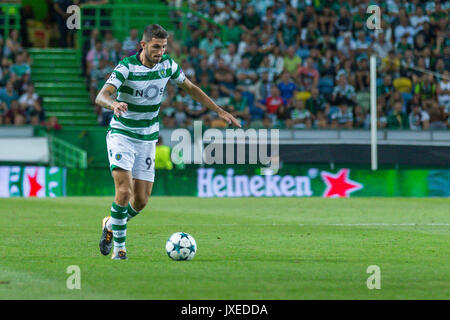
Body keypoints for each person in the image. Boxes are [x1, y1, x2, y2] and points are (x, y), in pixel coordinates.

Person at [95, 24, 240, 260]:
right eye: (155, 47)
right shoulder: (126, 67)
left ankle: (110, 224)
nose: (160, 52)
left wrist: (219, 111)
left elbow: (191, 88)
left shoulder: (168, 65)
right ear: (143, 45)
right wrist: (113, 104)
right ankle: (120, 250)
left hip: (148, 138)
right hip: (122, 134)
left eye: (163, 47)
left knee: (140, 201)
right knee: (123, 190)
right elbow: (101, 95)